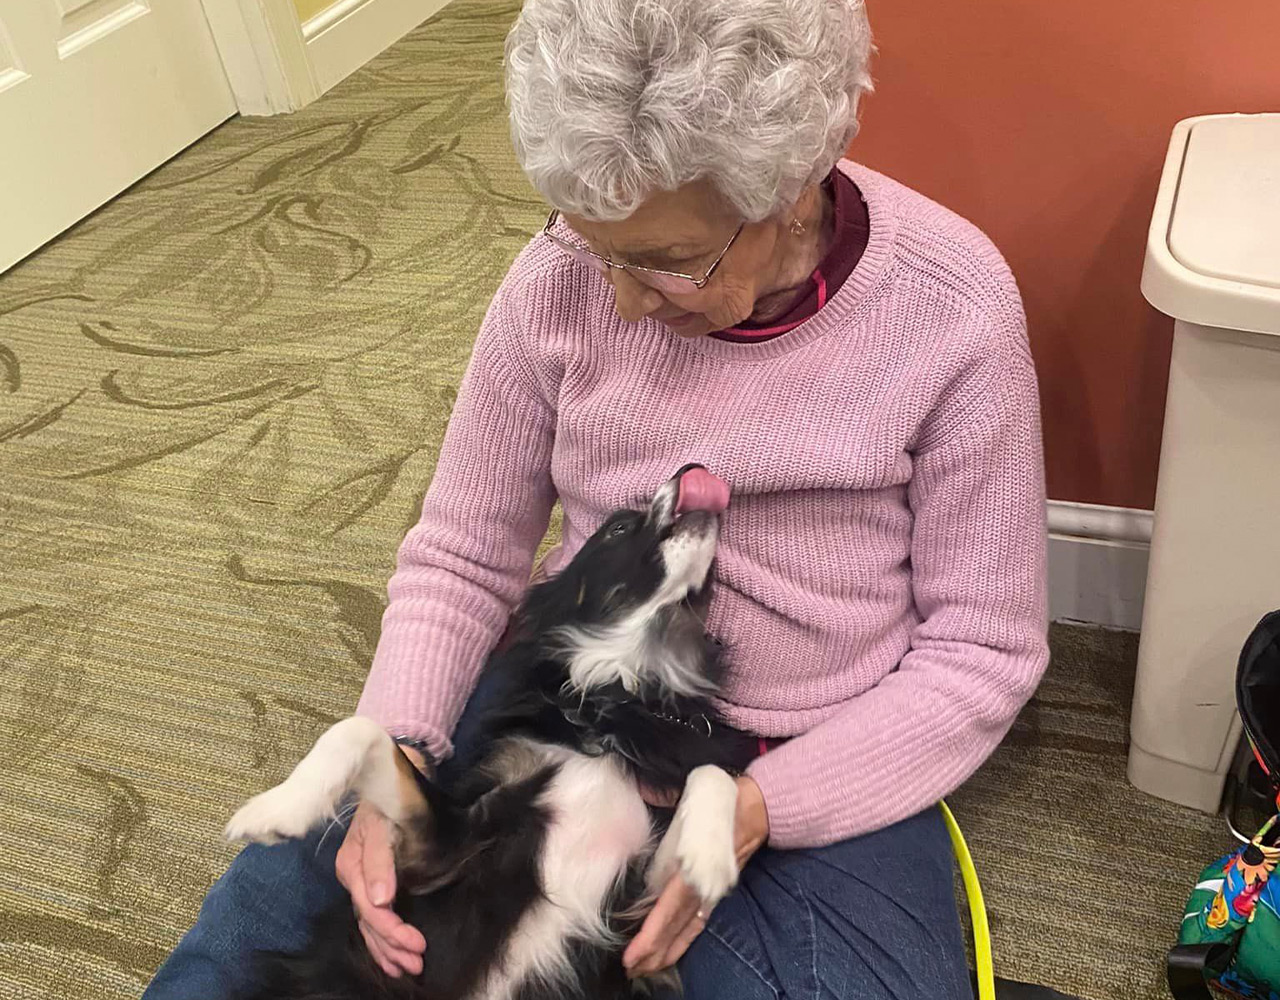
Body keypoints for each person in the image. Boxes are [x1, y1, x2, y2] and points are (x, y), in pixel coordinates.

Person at [144, 0, 1049, 997]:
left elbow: (981, 651)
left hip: (811, 735)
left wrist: (761, 805)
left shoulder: (951, 305)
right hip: (568, 699)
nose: (618, 302)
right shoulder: (555, 285)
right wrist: (398, 740)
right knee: (254, 934)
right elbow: (462, 553)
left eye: (667, 262)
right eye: (595, 247)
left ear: (795, 185)